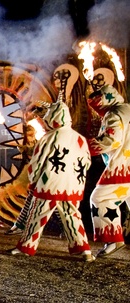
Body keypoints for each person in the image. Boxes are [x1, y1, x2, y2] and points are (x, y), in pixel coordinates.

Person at [7, 101, 94, 262]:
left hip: (49, 185)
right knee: (72, 216)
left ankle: (26, 247)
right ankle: (83, 250)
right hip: (72, 186)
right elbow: (87, 162)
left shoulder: (49, 137)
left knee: (36, 216)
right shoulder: (79, 138)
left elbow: (37, 162)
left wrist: (33, 181)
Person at [86, 84, 130, 257]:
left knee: (101, 199)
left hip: (123, 167)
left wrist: (83, 146)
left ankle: (113, 239)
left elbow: (110, 140)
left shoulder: (114, 114)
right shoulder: (127, 109)